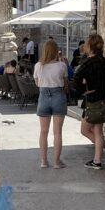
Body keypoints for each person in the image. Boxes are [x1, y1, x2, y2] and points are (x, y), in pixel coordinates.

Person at [73, 34, 105, 169]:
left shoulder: (88, 62)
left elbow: (76, 78)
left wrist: (83, 90)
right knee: (98, 131)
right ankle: (100, 158)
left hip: (93, 101)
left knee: (85, 130)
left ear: (90, 46)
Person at [33, 38, 68, 169]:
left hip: (44, 96)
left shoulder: (38, 66)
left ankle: (43, 161)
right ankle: (57, 162)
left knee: (43, 131)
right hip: (58, 95)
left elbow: (37, 83)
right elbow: (65, 83)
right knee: (57, 132)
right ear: (56, 51)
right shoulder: (62, 66)